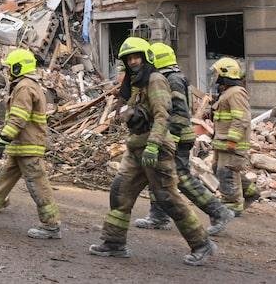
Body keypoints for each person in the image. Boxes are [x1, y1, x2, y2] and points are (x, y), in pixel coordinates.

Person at [89, 37, 216, 266]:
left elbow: (162, 115)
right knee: (120, 191)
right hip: (137, 147)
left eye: (136, 57)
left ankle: (202, 244)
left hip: (155, 149)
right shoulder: (136, 84)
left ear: (146, 58)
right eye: (128, 59)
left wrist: (154, 145)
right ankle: (114, 242)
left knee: (167, 197)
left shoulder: (156, 79)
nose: (133, 61)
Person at [133, 42, 234, 235]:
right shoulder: (168, 77)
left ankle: (219, 212)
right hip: (170, 137)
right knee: (157, 175)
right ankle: (158, 216)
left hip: (176, 138)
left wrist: (169, 139)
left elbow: (178, 114)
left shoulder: (172, 79)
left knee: (181, 177)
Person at [0, 48, 62, 239]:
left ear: (19, 67)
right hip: (21, 145)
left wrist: (2, 140)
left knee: (37, 184)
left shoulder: (24, 87)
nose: (8, 71)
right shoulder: (27, 85)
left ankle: (51, 225)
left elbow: (18, 119)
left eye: (10, 67)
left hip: (28, 145)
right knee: (4, 179)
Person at [209, 57, 258, 216]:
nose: (215, 76)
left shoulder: (236, 93)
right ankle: (249, 191)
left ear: (225, 73)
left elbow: (241, 118)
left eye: (217, 73)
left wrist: (232, 139)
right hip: (222, 142)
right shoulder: (227, 92)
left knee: (226, 172)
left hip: (230, 143)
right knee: (218, 169)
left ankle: (232, 205)